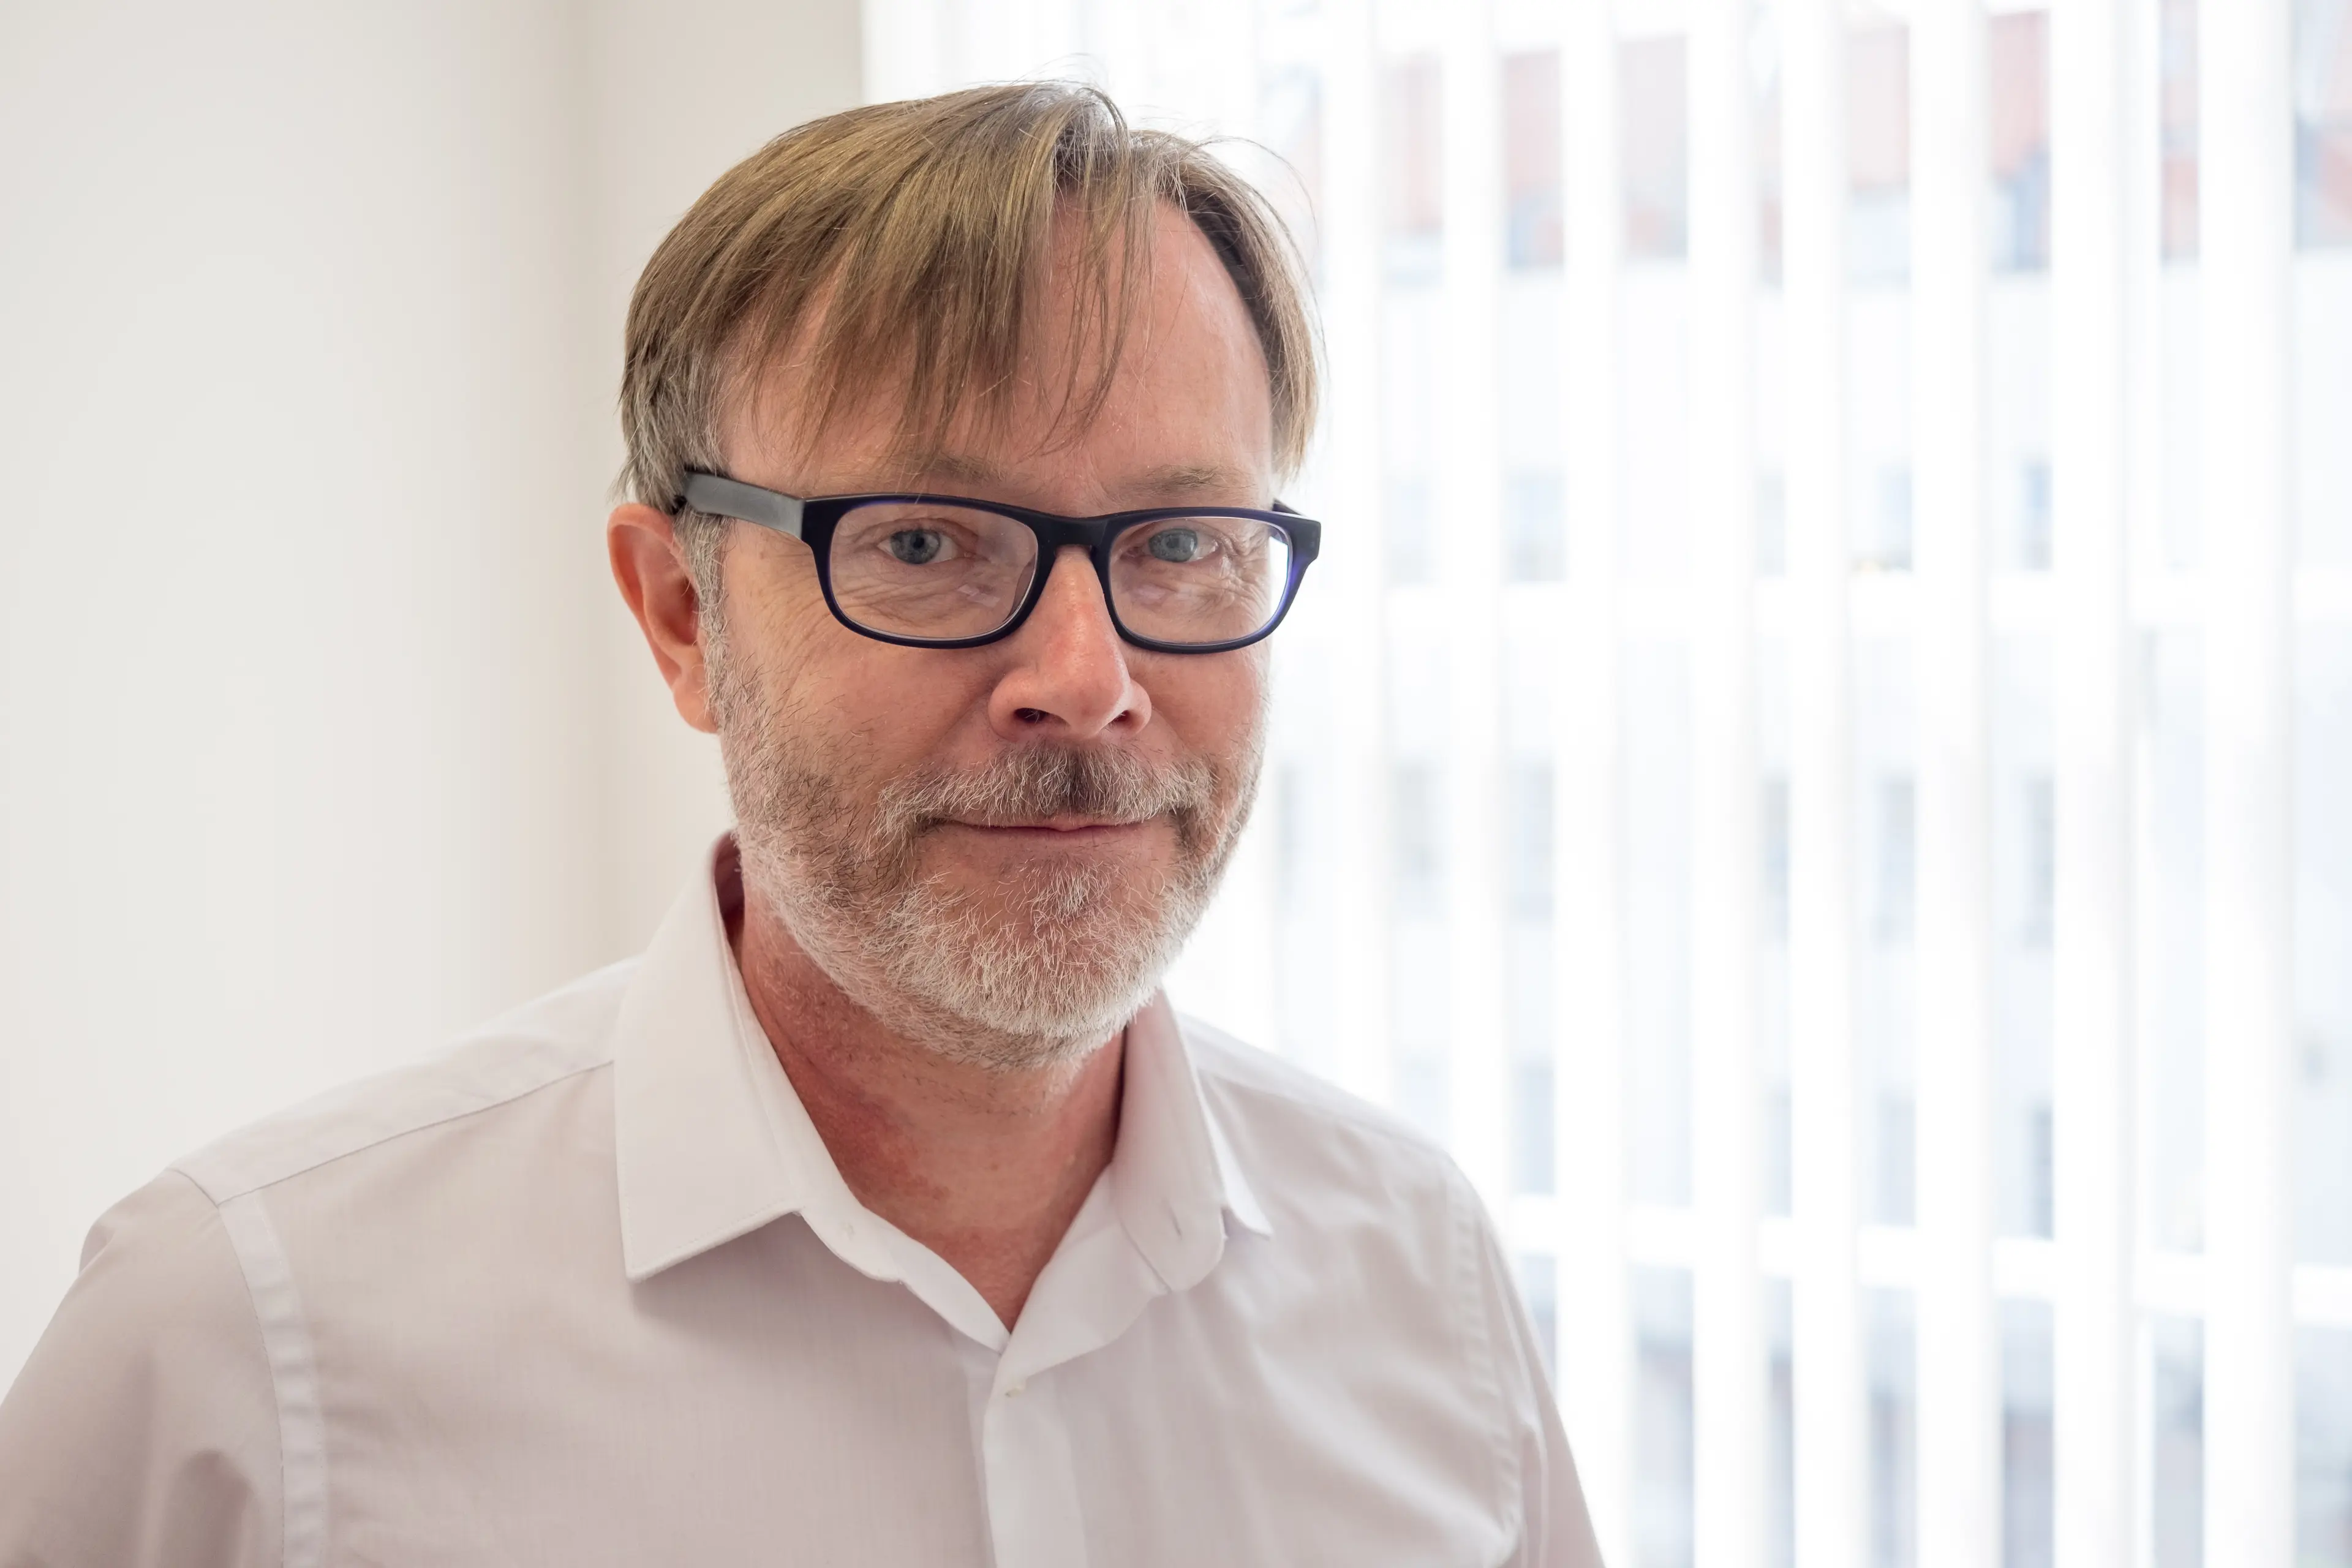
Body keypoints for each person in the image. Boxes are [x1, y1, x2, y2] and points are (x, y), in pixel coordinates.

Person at [0, 83, 1599, 1566]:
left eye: (1183, 540)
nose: (1087, 680)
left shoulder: (1420, 1286)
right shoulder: (242, 1358)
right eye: (924, 540)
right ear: (684, 612)